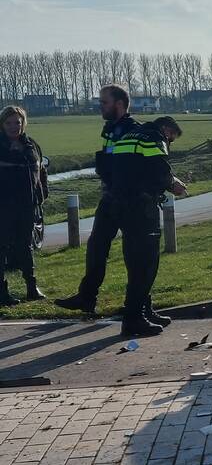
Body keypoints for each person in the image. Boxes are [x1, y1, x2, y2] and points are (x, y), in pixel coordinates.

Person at [55, 85, 138, 315]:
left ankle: (139, 303)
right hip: (110, 197)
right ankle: (87, 297)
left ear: (119, 104)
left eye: (104, 103)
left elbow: (130, 167)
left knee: (133, 253)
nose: (99, 107)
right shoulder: (110, 129)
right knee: (96, 247)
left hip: (128, 201)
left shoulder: (132, 130)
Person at [110, 116, 187, 336]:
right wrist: (175, 185)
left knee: (134, 262)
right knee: (147, 263)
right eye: (170, 138)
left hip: (122, 205)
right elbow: (159, 171)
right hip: (142, 206)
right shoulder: (154, 138)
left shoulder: (128, 136)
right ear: (165, 129)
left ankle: (145, 310)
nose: (169, 143)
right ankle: (134, 318)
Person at [0, 106, 48, 306]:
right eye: (9, 123)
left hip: (27, 204)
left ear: (23, 124)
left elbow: (41, 171)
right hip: (3, 205)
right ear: (2, 124)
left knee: (25, 245)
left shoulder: (31, 145)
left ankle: (31, 287)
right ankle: (2, 291)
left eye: (17, 123)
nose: (13, 127)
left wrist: (42, 194)